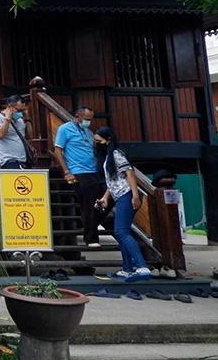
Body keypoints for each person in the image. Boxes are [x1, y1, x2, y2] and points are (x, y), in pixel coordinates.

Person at [94, 126, 151, 282]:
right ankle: (127, 268)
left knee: (121, 232)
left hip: (127, 195)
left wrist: (135, 196)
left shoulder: (116, 154)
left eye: (99, 141)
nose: (97, 144)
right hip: (120, 195)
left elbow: (130, 174)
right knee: (121, 232)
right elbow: (113, 181)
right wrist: (105, 198)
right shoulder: (108, 156)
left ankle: (141, 266)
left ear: (108, 139)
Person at [54, 105, 104, 248]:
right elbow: (58, 151)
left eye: (91, 119)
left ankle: (90, 226)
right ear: (77, 117)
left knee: (102, 201)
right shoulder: (64, 129)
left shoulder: (89, 132)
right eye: (86, 119)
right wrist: (67, 172)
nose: (89, 122)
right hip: (78, 171)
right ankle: (91, 238)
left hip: (94, 171)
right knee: (88, 204)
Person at [0, 95, 31, 168]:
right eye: (19, 110)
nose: (21, 113)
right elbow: (0, 134)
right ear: (10, 107)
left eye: (23, 110)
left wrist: (27, 118)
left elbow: (30, 135)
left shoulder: (20, 120)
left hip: (24, 160)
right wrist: (7, 119)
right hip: (10, 160)